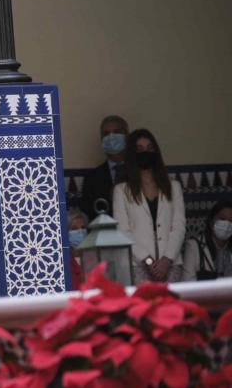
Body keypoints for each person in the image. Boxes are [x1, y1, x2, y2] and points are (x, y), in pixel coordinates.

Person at [113, 129, 186, 283]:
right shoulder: (121, 191)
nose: (145, 152)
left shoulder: (174, 187)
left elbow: (179, 226)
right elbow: (123, 232)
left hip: (171, 264)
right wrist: (148, 262)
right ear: (132, 154)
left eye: (149, 148)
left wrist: (166, 260)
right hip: (138, 266)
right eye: (139, 149)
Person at [80, 115, 129, 220]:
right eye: (106, 134)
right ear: (102, 140)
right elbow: (88, 215)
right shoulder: (92, 178)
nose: (111, 137)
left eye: (116, 132)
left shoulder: (141, 171)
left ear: (127, 136)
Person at [183, 200, 232, 279]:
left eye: (231, 221)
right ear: (211, 222)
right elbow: (187, 283)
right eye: (222, 219)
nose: (227, 225)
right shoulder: (193, 246)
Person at [67, 207, 89, 288]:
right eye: (74, 229)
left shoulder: (93, 256)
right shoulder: (65, 261)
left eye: (83, 228)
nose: (80, 232)